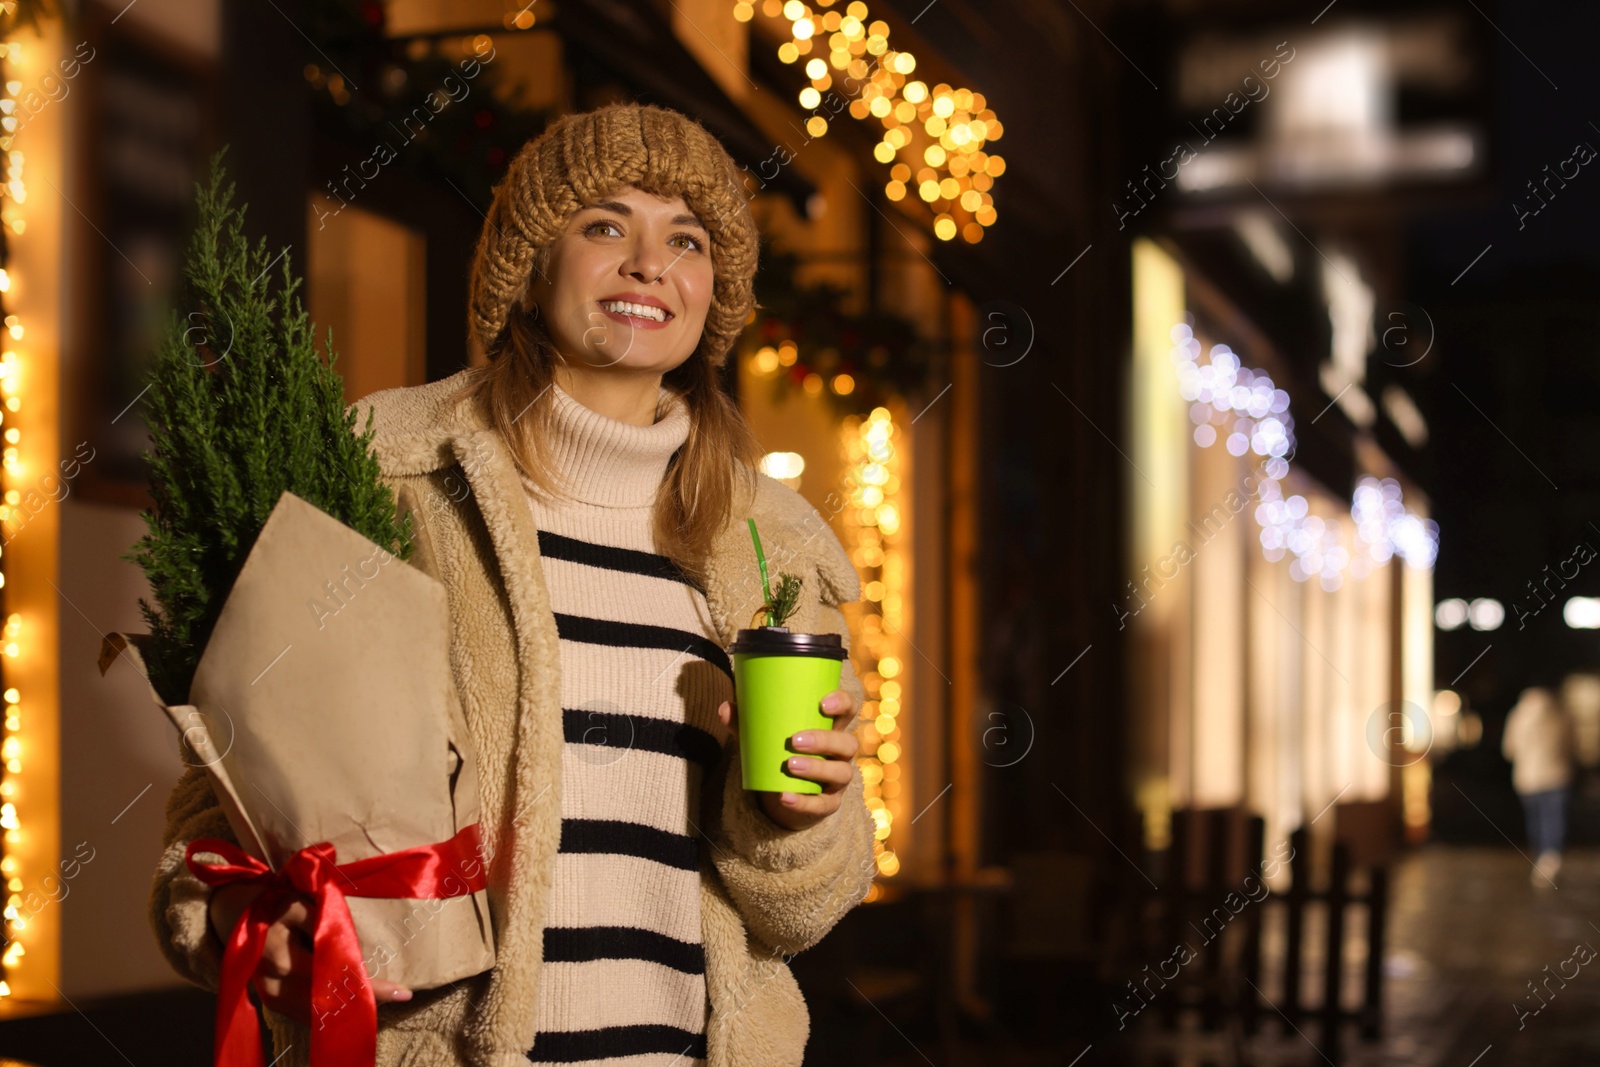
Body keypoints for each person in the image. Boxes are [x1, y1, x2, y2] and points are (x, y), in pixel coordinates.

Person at [149, 102, 877, 1067]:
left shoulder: (770, 545)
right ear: (530, 266)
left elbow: (802, 912)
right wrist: (246, 919)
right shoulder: (383, 474)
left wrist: (800, 816)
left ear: (714, 295)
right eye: (605, 224)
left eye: (687, 238)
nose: (649, 263)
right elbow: (225, 790)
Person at [1501, 685, 1575, 887]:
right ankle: (1551, 857)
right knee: (1554, 817)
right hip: (1556, 775)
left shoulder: (1518, 716)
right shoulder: (1560, 714)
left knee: (1536, 819)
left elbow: (1509, 749)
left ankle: (1541, 857)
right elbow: (1570, 744)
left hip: (1528, 778)